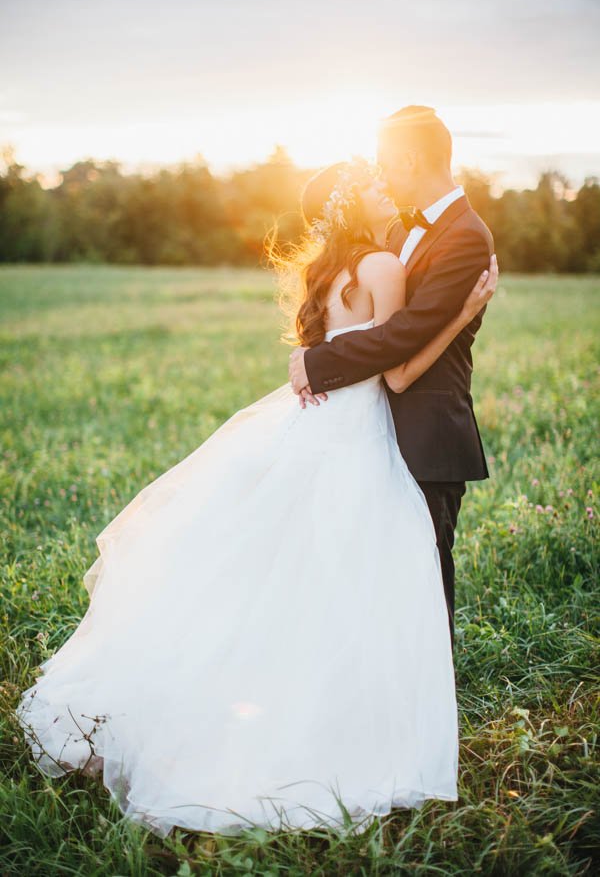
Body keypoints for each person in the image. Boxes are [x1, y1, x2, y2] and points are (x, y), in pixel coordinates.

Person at [15, 156, 497, 840]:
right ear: (353, 204)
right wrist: (466, 310)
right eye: (368, 183)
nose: (382, 186)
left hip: (315, 427)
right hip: (357, 437)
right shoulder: (384, 269)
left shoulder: (330, 272)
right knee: (351, 577)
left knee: (280, 576)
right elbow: (398, 372)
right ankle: (336, 726)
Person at [289, 106, 496, 647]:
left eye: (384, 163)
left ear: (408, 158)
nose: (380, 175)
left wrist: (320, 360)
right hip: (372, 428)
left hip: (427, 430)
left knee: (425, 572)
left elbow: (406, 334)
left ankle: (432, 704)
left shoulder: (466, 236)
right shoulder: (401, 230)